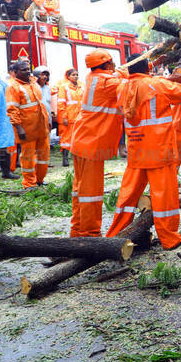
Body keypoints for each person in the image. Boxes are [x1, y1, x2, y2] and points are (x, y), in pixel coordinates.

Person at [106, 54, 181, 249]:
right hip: (159, 151)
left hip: (137, 152)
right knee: (165, 199)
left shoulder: (122, 86)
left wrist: (154, 69)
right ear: (147, 68)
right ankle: (170, 239)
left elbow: (126, 73)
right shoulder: (157, 85)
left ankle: (114, 237)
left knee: (127, 197)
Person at [68, 51, 124, 238]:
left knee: (80, 191)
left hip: (82, 140)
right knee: (91, 193)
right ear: (107, 65)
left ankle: (77, 231)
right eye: (112, 63)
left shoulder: (94, 77)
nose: (115, 65)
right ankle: (90, 234)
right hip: (92, 143)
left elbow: (118, 76)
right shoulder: (107, 82)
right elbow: (130, 83)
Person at [6, 61, 51, 189]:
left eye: (27, 69)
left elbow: (40, 104)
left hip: (41, 127)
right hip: (27, 129)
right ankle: (29, 183)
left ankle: (40, 180)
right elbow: (12, 110)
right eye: (23, 70)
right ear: (15, 73)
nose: (27, 71)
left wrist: (47, 121)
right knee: (28, 157)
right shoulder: (13, 87)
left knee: (43, 154)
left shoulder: (33, 82)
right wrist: (19, 128)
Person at [56, 68, 82, 167]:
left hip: (79, 117)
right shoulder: (64, 87)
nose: (76, 76)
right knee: (66, 139)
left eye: (76, 75)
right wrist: (64, 117)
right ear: (68, 77)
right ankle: (65, 158)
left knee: (79, 138)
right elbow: (61, 103)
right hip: (69, 118)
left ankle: (77, 156)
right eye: (73, 75)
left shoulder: (81, 87)